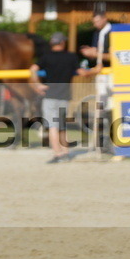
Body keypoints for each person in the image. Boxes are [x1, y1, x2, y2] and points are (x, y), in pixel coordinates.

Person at [30, 32, 84, 163]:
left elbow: (33, 68)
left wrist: (38, 85)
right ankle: (65, 152)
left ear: (52, 43)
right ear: (63, 43)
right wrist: (95, 70)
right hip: (65, 96)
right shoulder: (71, 57)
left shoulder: (46, 57)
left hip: (50, 96)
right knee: (62, 126)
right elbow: (82, 72)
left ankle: (58, 154)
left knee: (53, 127)